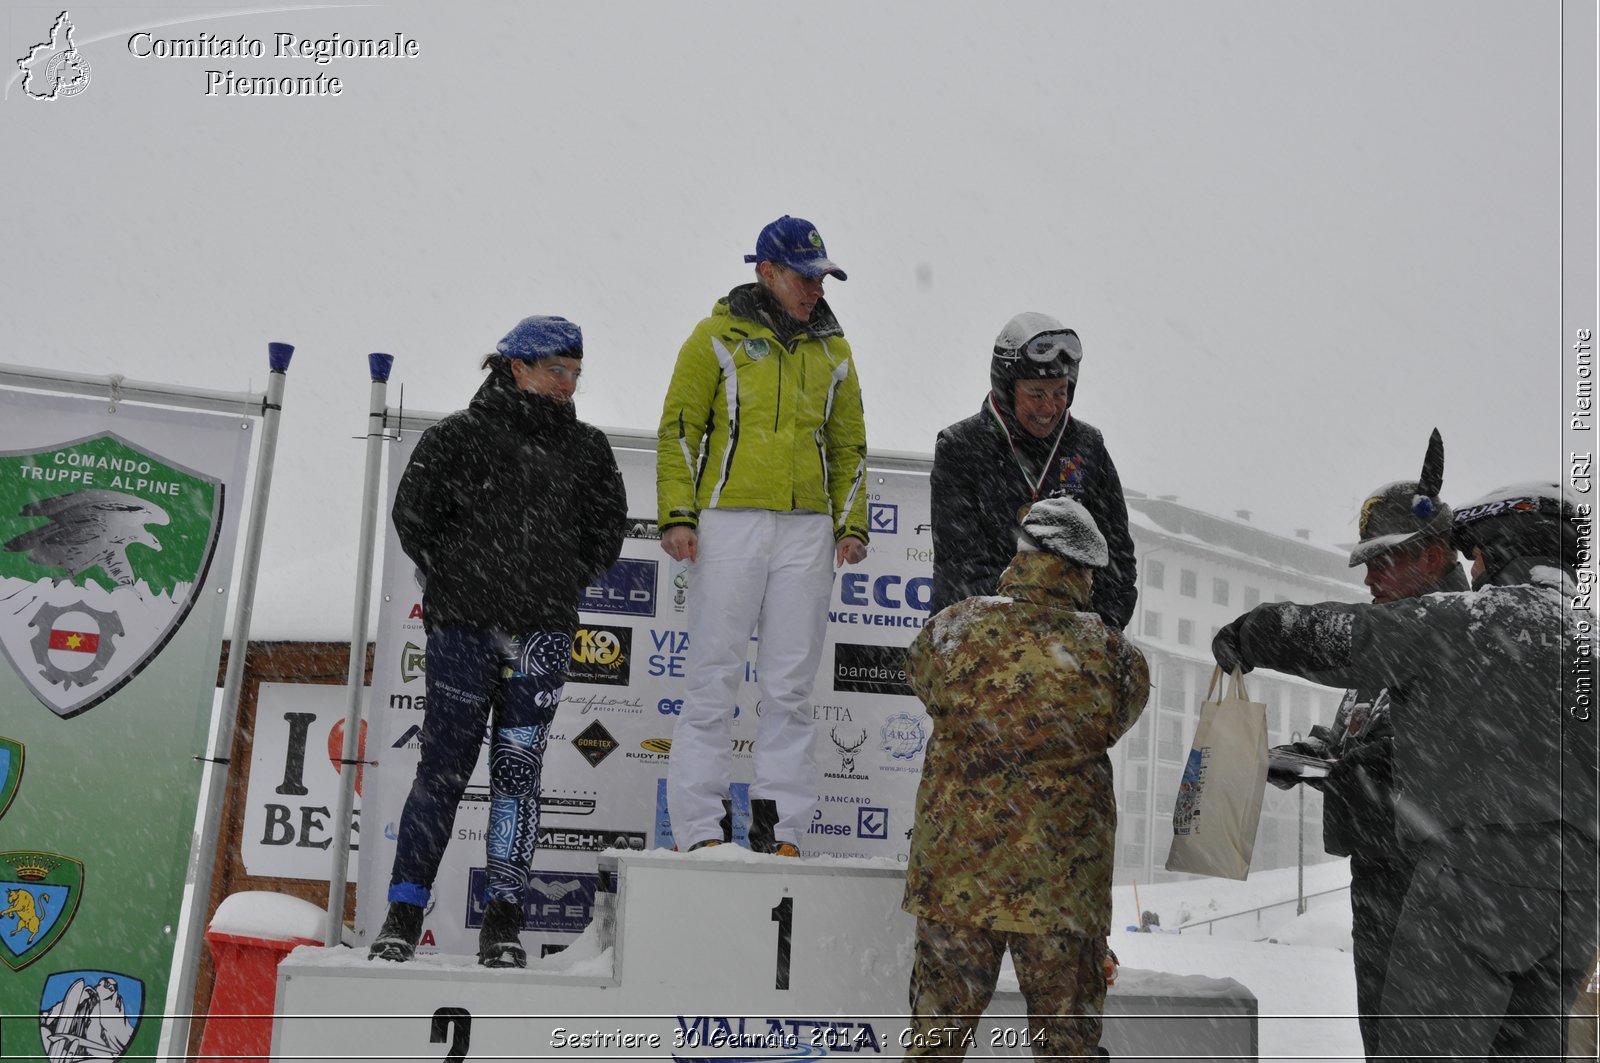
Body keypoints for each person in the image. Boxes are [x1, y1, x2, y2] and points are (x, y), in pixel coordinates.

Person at [1214, 480, 1598, 1061]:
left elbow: (1344, 637)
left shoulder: (1468, 623)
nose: (1473, 571)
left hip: (1477, 882)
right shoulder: (1589, 641)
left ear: (1498, 553)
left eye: (1476, 556)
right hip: (1578, 899)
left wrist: (1254, 631)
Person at [369, 315, 626, 967]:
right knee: (444, 769)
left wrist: (556, 578)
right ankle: (402, 914)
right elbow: (412, 517)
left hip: (542, 631)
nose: (569, 385)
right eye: (557, 371)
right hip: (464, 629)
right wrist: (461, 578)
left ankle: (503, 922)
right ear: (516, 366)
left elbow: (606, 534)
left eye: (575, 374)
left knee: (518, 772)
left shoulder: (588, 450)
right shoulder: (455, 437)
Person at [901, 496, 1150, 1060]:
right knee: (1065, 1051)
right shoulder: (1114, 656)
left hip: (957, 882)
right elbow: (1115, 720)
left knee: (935, 1048)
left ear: (1024, 557)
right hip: (1061, 888)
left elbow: (924, 684)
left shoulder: (951, 630)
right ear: (1078, 569)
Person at [657, 214, 870, 856]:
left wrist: (850, 521)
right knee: (713, 677)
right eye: (805, 277)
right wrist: (678, 515)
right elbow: (678, 429)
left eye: (823, 277)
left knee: (789, 687)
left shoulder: (834, 348)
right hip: (730, 521)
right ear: (767, 272)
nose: (816, 290)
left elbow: (848, 442)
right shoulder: (715, 335)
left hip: (807, 530)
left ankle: (783, 832)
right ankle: (700, 829)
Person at [1265, 429, 1467, 1060]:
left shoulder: (1463, 641)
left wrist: (1356, 769)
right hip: (1379, 874)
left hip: (1432, 885)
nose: (1370, 578)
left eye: (1385, 561)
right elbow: (1364, 734)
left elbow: (1441, 769)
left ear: (1432, 557)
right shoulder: (1389, 640)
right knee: (1383, 1040)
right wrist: (1318, 754)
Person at [929, 312, 1136, 628]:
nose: (1050, 407)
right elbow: (959, 565)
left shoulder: (1087, 447)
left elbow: (1117, 559)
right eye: (1037, 394)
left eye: (1060, 392)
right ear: (1007, 389)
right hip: (980, 637)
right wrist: (1029, 619)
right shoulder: (961, 447)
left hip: (1070, 645)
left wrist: (1096, 630)